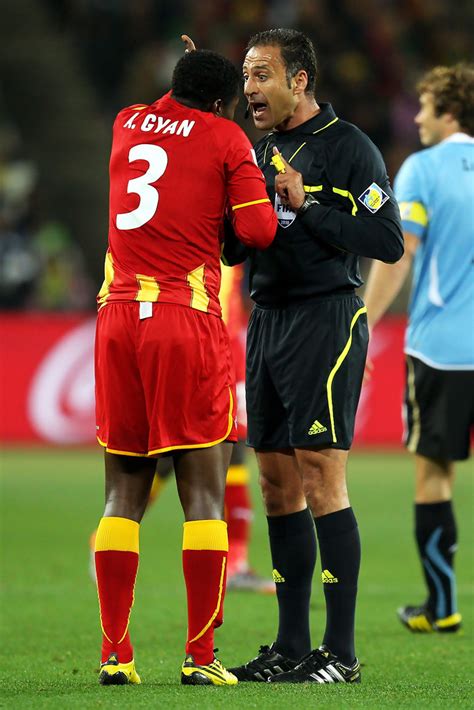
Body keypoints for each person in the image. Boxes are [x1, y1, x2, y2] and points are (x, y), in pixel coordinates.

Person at [222, 28, 403, 684]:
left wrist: (308, 207)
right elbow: (238, 247)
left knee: (322, 473)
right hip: (265, 319)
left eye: (261, 75)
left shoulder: (349, 148)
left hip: (326, 318)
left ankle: (342, 653)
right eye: (244, 76)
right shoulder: (258, 150)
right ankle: (291, 646)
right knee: (275, 483)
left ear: (299, 79)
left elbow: (386, 241)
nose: (249, 89)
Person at [93, 48, 277, 687]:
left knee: (123, 494)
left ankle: (116, 654)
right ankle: (200, 659)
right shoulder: (227, 136)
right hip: (185, 319)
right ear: (227, 101)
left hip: (117, 320)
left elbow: (165, 155)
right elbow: (256, 232)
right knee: (204, 495)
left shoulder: (126, 121)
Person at [363, 63, 474, 634]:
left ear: (449, 111)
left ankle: (442, 604)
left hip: (442, 351)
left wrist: (362, 321)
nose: (419, 116)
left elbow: (399, 251)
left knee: (435, 476)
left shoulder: (422, 170)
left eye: (427, 106)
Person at [89, 261, 275, 594]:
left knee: (211, 451)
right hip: (203, 343)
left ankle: (235, 561)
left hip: (219, 344)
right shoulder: (204, 234)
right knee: (204, 450)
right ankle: (233, 563)